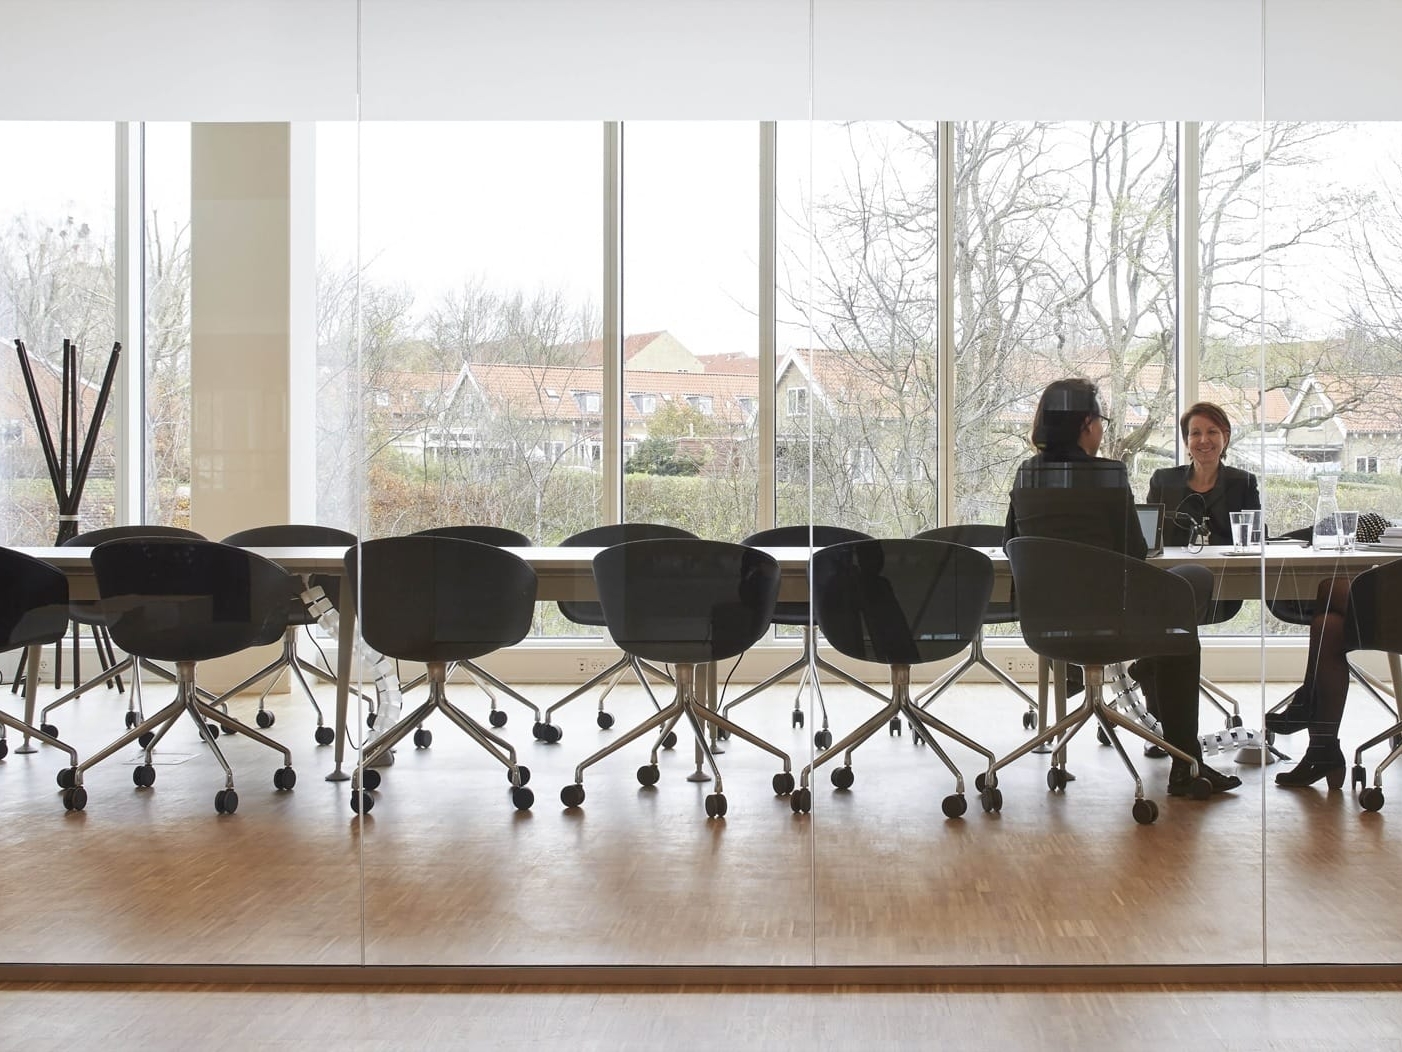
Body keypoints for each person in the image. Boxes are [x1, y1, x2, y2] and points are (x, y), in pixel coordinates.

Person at [1005, 378, 1241, 797]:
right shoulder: (1108, 475)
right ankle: (1186, 763)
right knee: (1189, 592)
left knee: (1178, 608)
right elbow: (1134, 552)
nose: (1101, 429)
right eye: (1100, 420)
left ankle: (1148, 670)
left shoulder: (1026, 474)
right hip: (1115, 621)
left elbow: (1012, 543)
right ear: (1085, 424)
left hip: (1047, 624)